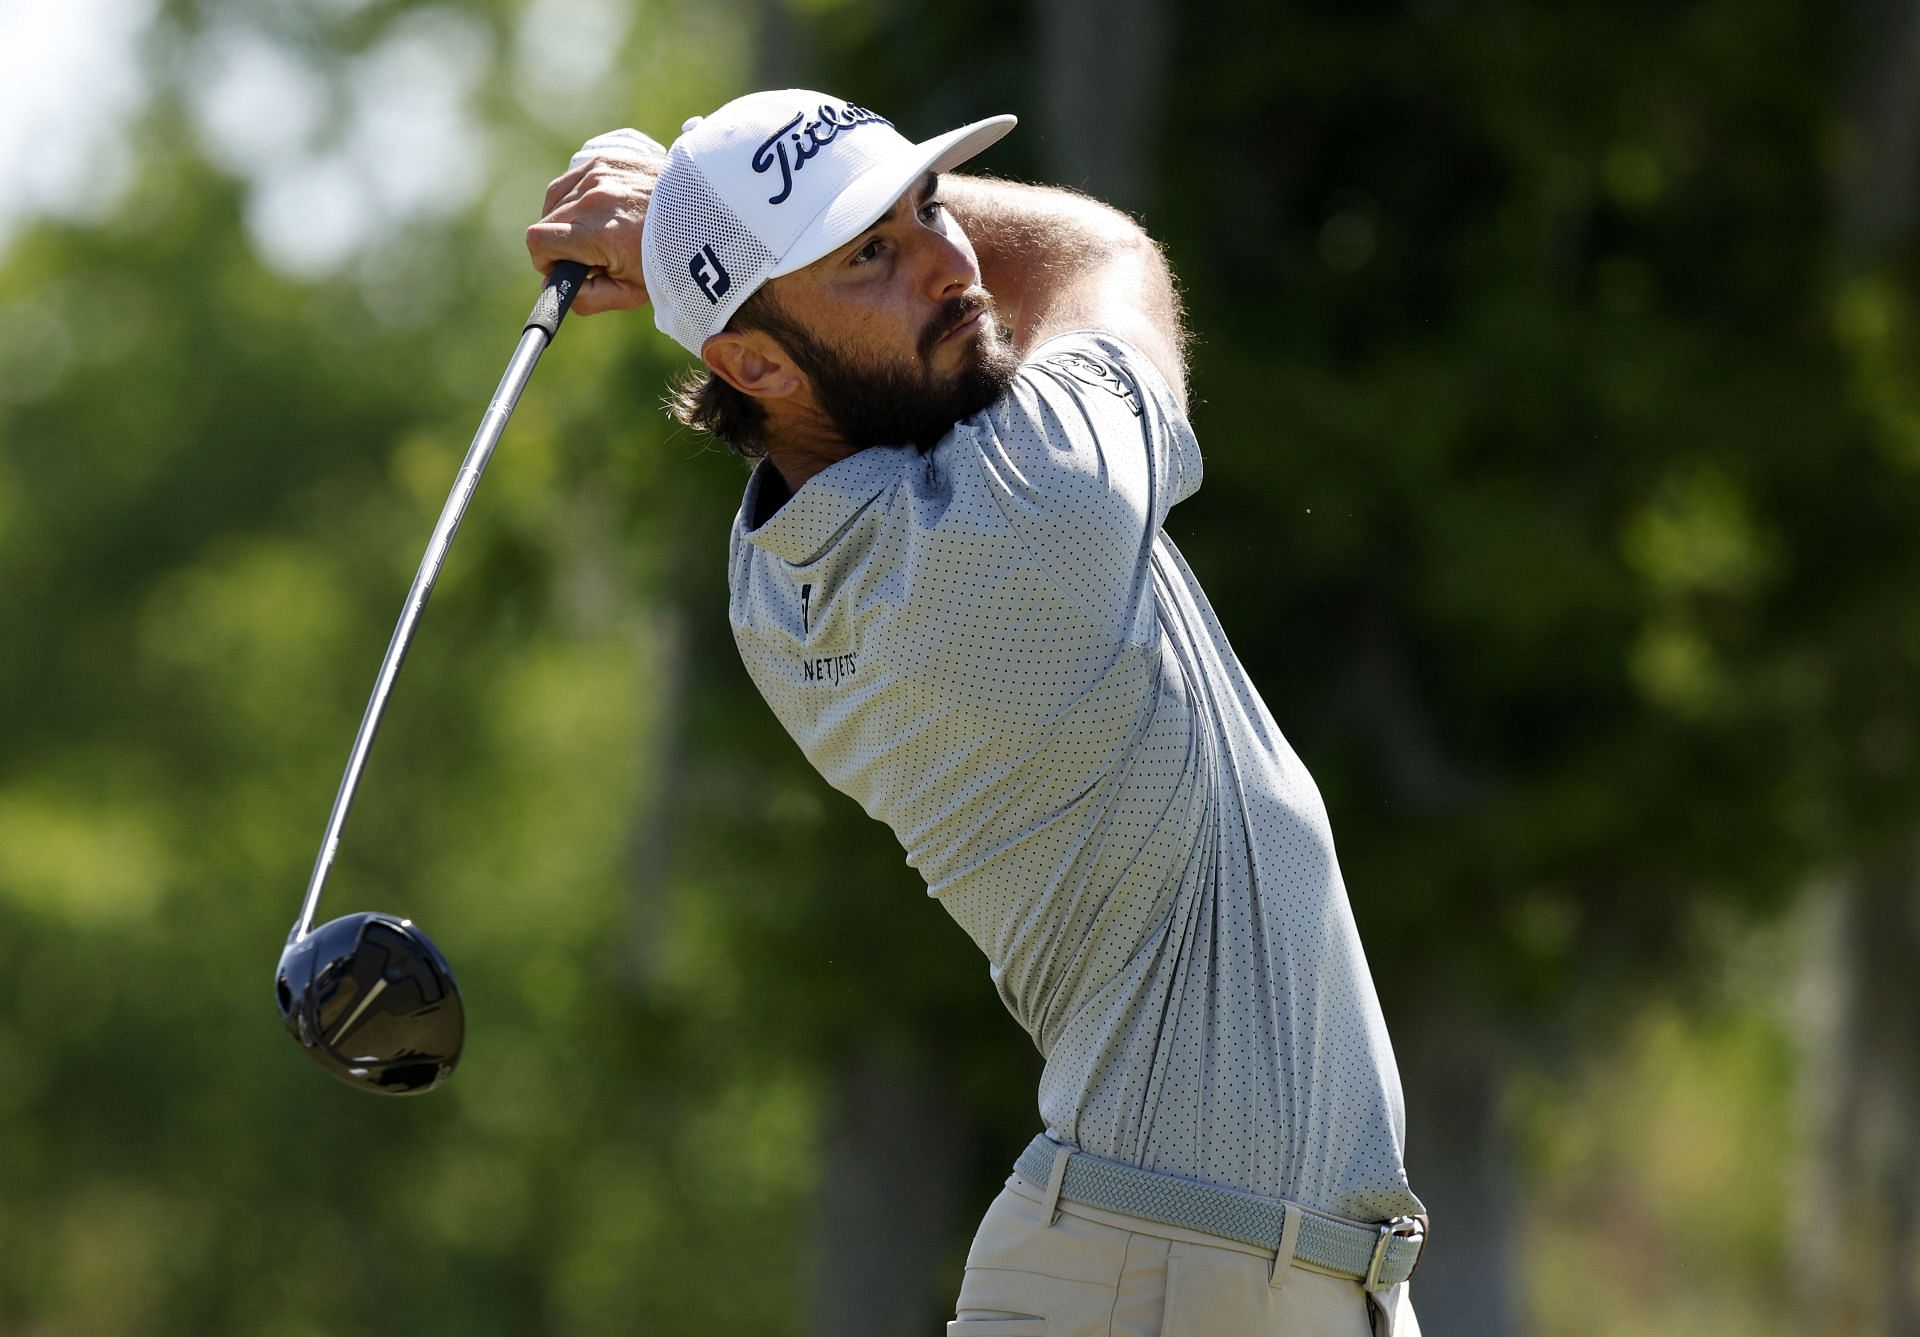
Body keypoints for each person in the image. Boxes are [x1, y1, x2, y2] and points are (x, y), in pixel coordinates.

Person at [526, 89, 1427, 1337]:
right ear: (754, 364)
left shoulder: (776, 579)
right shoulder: (1028, 515)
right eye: (871, 254)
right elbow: (1099, 254)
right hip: (1170, 1283)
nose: (953, 263)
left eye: (931, 205)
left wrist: (699, 224)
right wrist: (673, 229)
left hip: (1200, 1272)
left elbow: (889, 302)